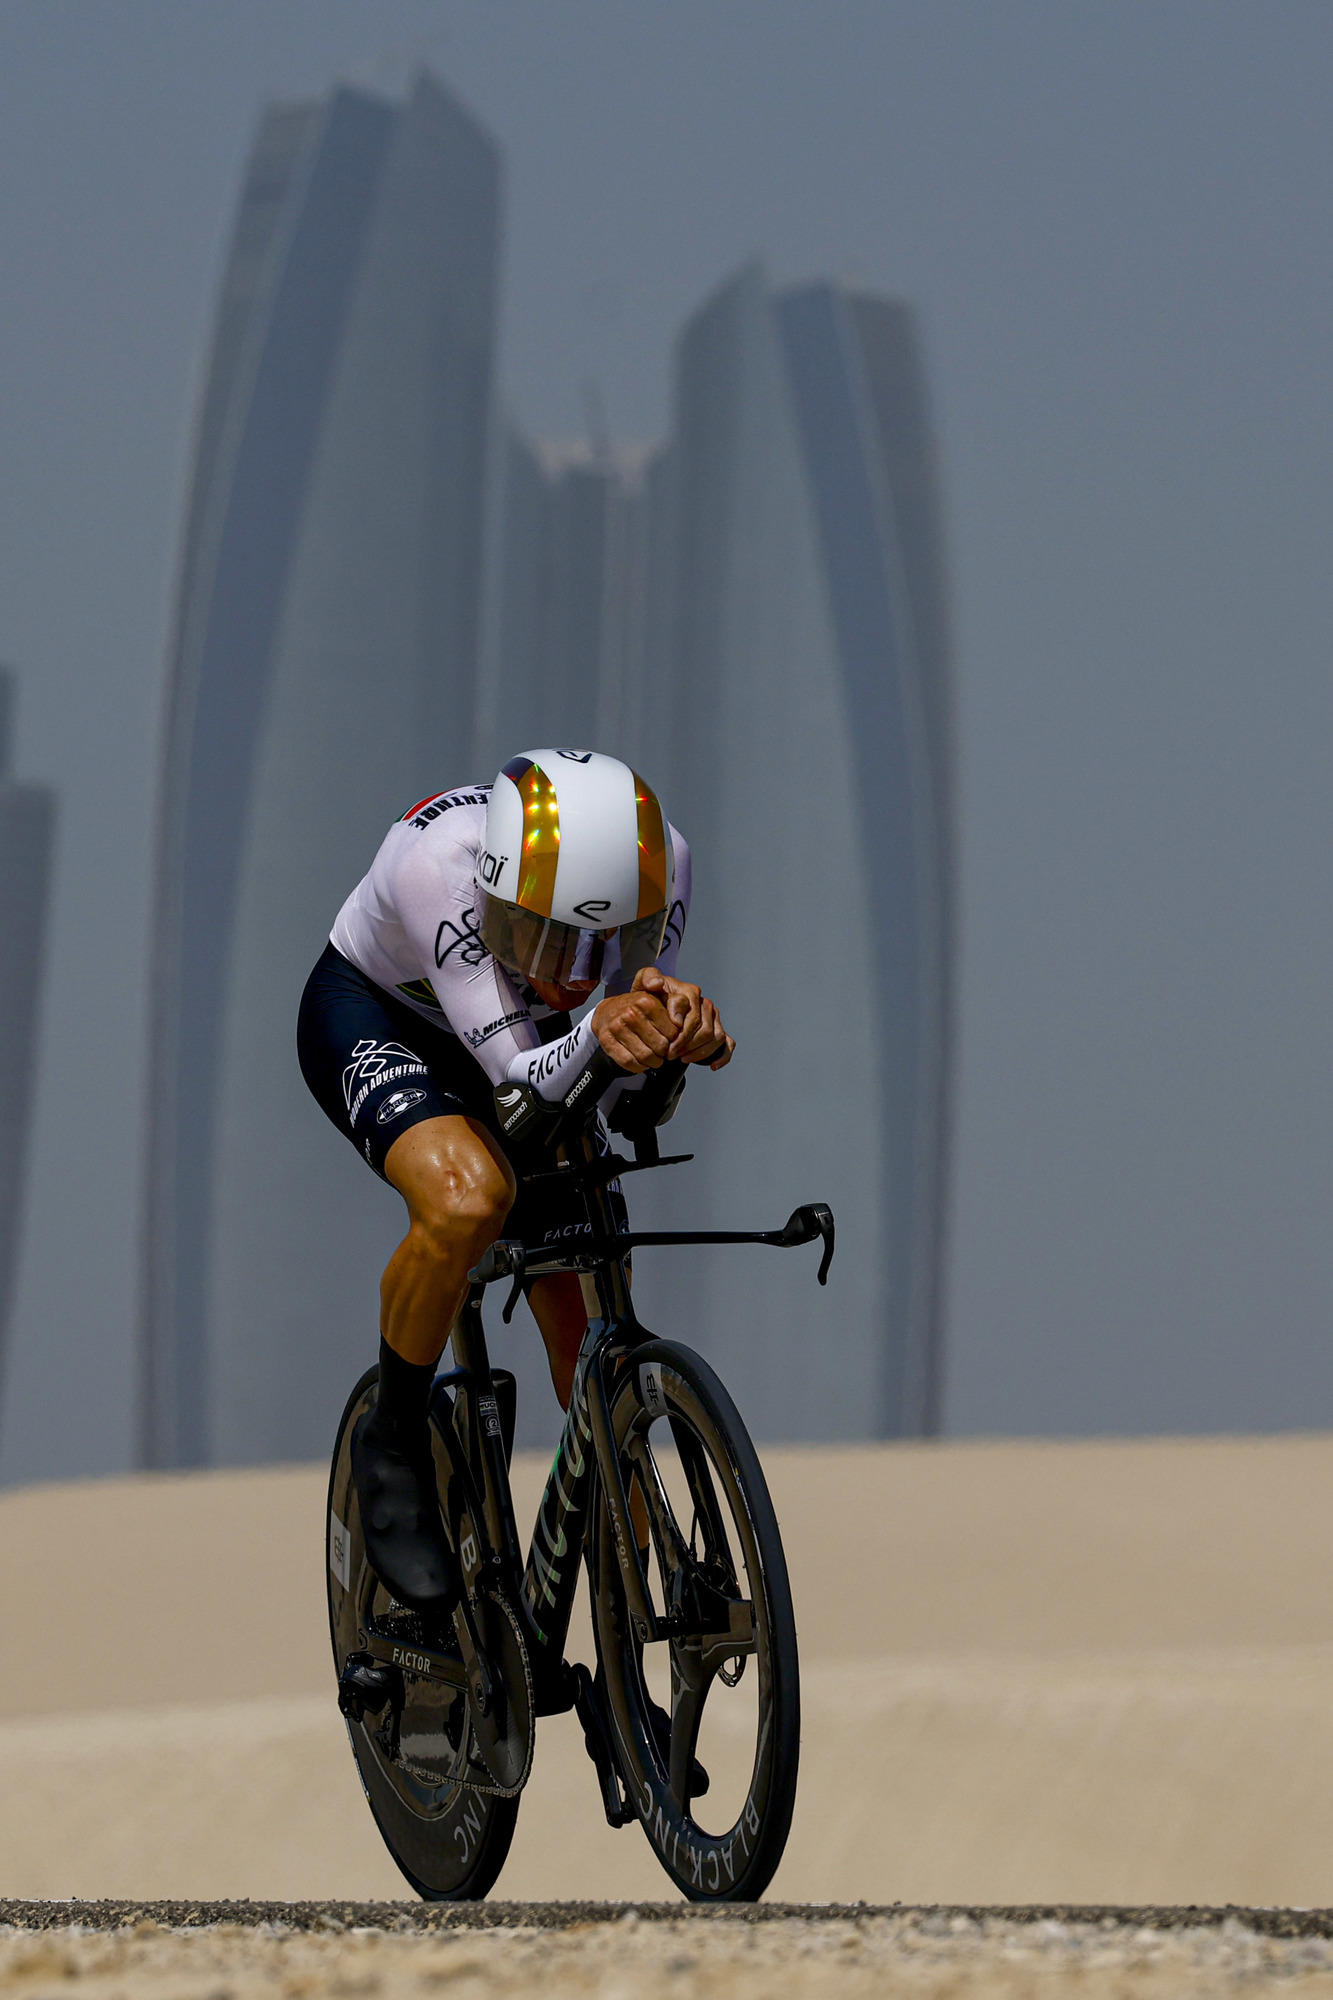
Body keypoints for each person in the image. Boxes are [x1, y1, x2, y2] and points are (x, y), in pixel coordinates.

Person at [298, 748, 733, 1626]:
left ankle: (624, 1617)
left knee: (586, 1316)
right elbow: (518, 1086)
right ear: (497, 895)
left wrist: (671, 1041)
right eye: (545, 937)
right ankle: (394, 1439)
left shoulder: (665, 864)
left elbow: (608, 1087)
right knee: (468, 1199)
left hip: (536, 1042)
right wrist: (606, 1029)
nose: (571, 971)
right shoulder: (438, 866)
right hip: (386, 1017)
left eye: (600, 943)